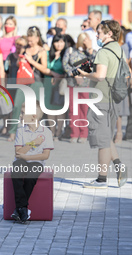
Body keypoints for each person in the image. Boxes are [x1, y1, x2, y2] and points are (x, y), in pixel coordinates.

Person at [77, 20, 128, 188]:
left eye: (99, 32)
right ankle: (120, 167)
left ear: (109, 34)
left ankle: (101, 179)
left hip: (101, 99)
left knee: (102, 141)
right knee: (106, 135)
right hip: (114, 99)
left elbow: (100, 76)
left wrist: (85, 73)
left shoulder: (103, 52)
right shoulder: (118, 49)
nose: (97, 35)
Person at [10, 101, 54, 223]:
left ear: (33, 116)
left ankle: (19, 208)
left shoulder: (46, 132)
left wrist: (27, 157)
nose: (20, 115)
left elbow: (45, 156)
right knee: (16, 172)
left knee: (30, 177)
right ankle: (22, 208)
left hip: (37, 162)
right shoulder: (20, 131)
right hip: (20, 161)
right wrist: (33, 143)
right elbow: (18, 153)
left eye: (23, 113)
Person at [7, 26, 47, 142]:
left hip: (37, 81)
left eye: (31, 40)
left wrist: (31, 61)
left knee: (36, 109)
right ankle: (13, 131)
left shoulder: (41, 51)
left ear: (37, 38)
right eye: (28, 40)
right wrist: (22, 62)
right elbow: (20, 64)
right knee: (17, 105)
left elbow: (44, 69)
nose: (29, 42)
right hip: (24, 81)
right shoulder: (25, 49)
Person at [62, 33, 96, 143]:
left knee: (84, 109)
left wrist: (90, 48)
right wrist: (75, 74)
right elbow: (65, 64)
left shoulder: (91, 52)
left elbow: (95, 64)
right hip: (73, 83)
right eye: (84, 40)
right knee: (73, 109)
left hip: (86, 84)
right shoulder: (71, 50)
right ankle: (74, 133)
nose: (85, 41)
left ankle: (83, 134)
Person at [44, 34, 67, 140]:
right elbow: (44, 67)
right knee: (49, 108)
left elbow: (69, 70)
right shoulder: (48, 54)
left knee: (60, 108)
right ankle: (52, 131)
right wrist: (53, 74)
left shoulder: (66, 54)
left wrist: (59, 76)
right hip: (48, 82)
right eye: (57, 41)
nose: (59, 44)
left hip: (61, 83)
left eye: (61, 42)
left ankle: (59, 131)